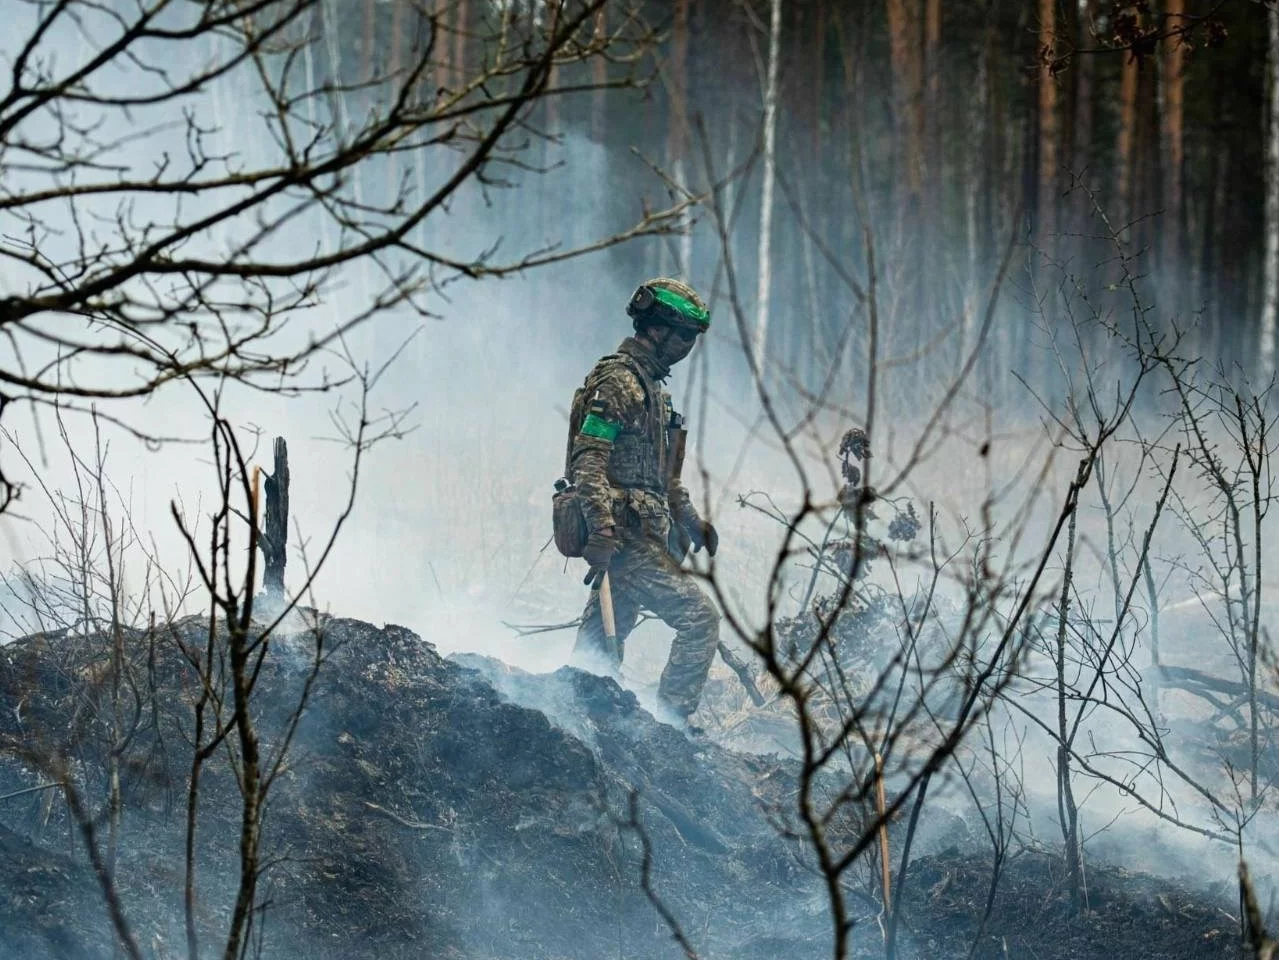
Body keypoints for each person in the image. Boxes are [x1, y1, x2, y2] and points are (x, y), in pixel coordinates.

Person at [567, 277, 720, 721]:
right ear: (657, 330)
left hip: (640, 537)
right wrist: (601, 528)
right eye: (685, 336)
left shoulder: (651, 388)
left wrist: (690, 520)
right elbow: (588, 459)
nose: (688, 347)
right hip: (626, 541)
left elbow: (660, 477)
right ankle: (672, 731)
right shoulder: (620, 381)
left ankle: (577, 718)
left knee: (595, 655)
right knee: (699, 620)